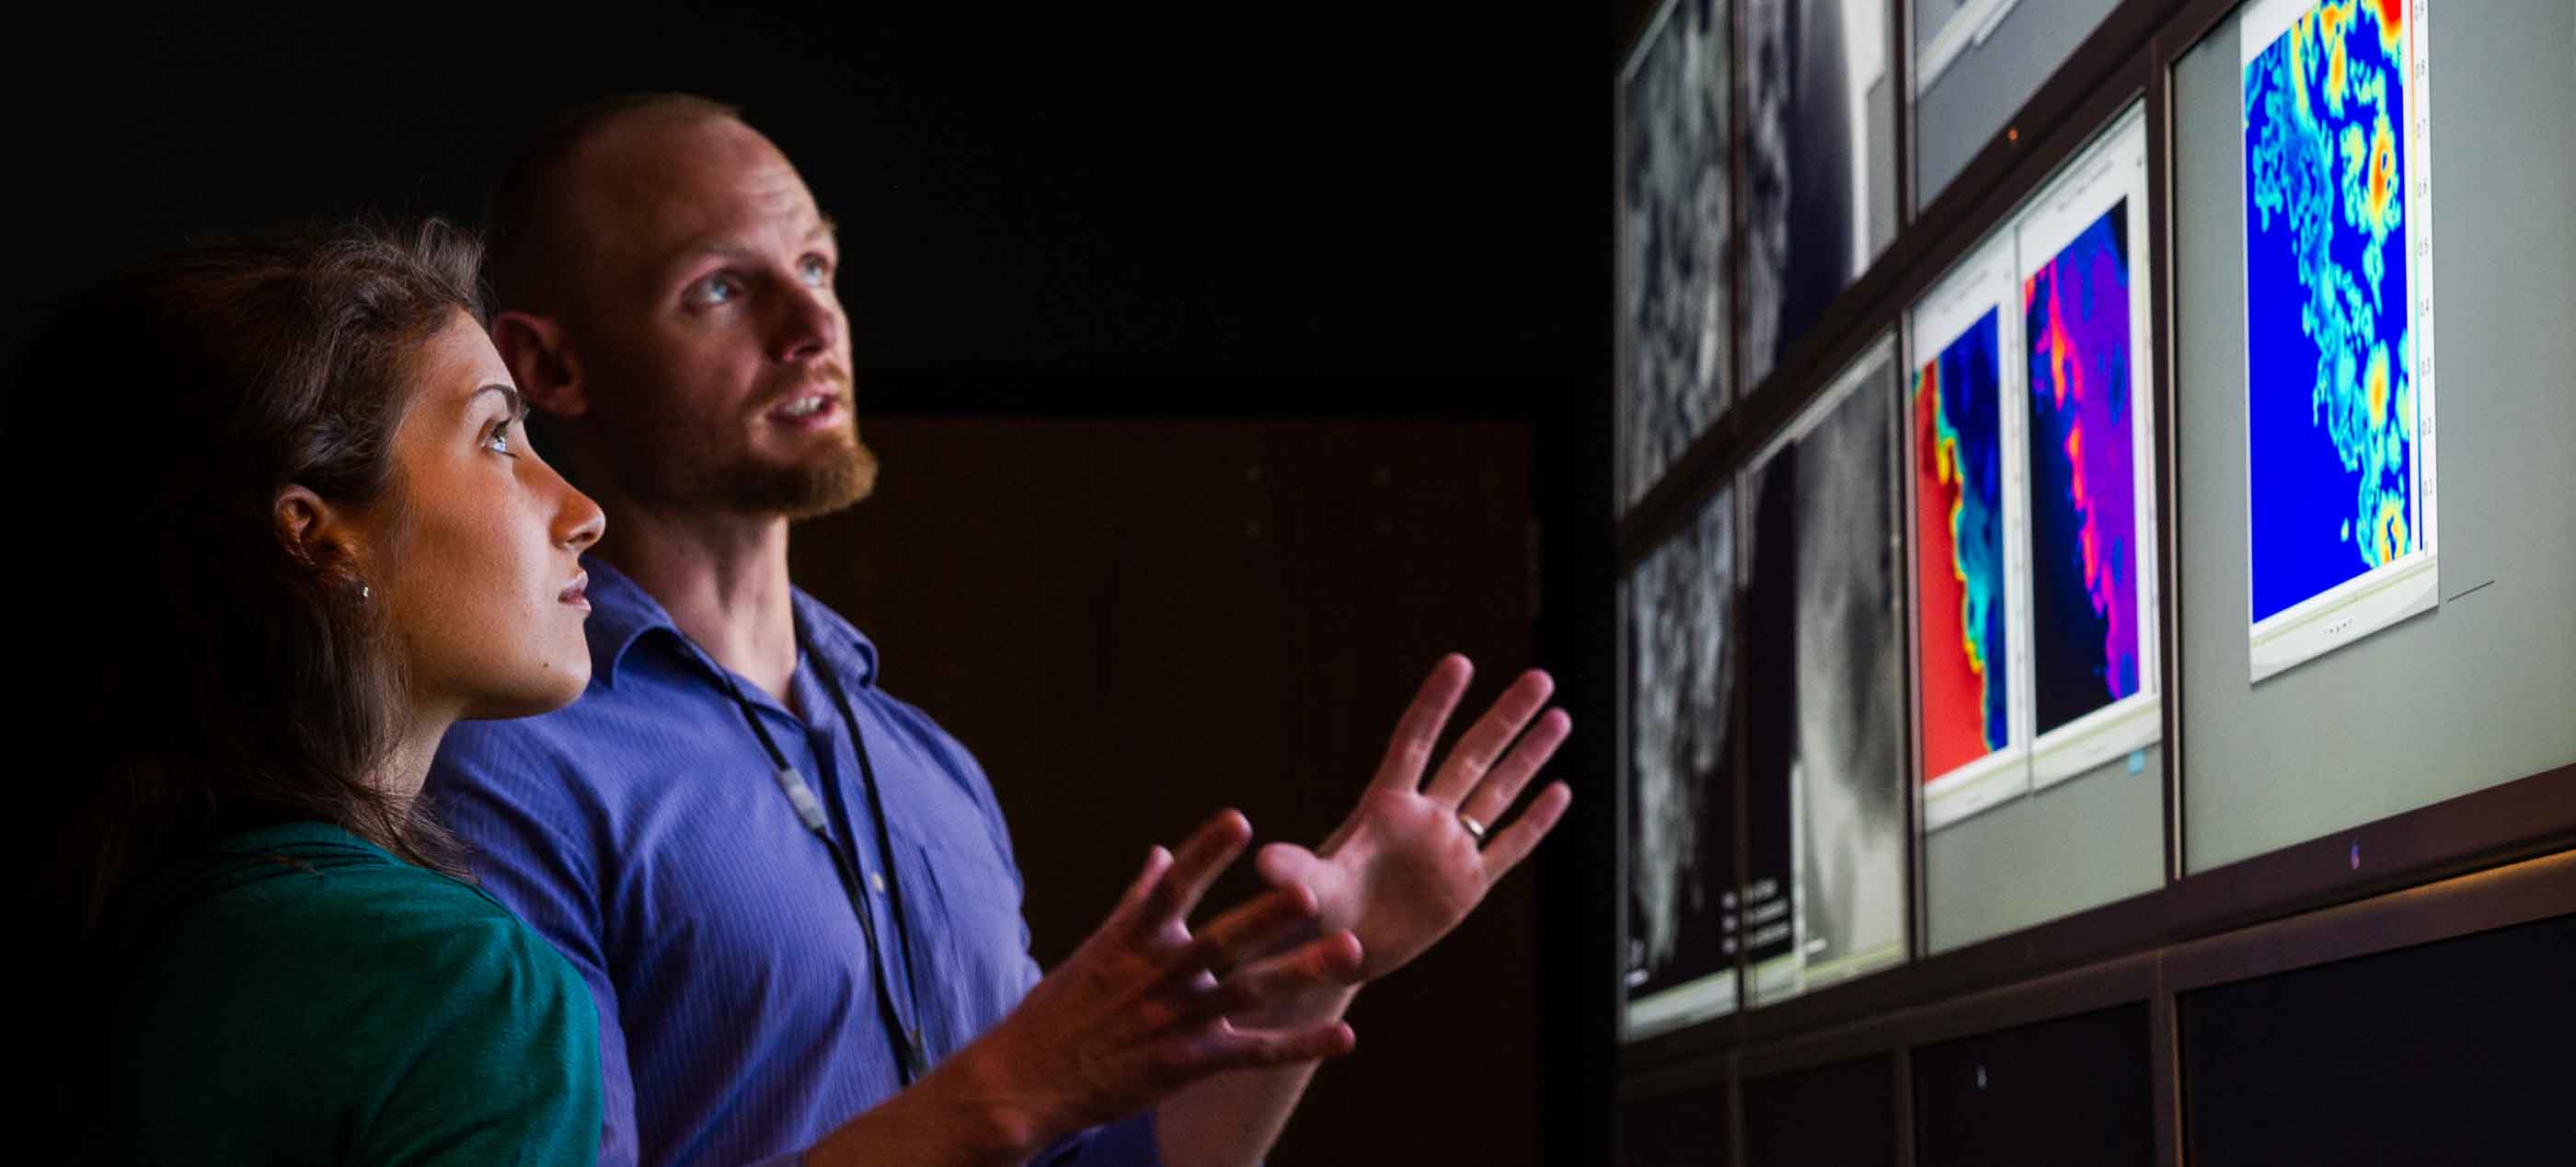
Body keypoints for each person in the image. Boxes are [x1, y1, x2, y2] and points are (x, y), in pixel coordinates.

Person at [427, 93, 1575, 1167]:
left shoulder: (931, 770)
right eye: (721, 288)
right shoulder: (507, 766)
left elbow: (1081, 1155)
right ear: (550, 365)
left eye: (817, 264)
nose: (813, 321)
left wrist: (1327, 966)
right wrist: (1018, 1080)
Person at [21, 220, 606, 1163]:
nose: (583, 513)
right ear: (315, 532)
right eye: (498, 434)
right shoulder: (451, 982)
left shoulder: (92, 931)